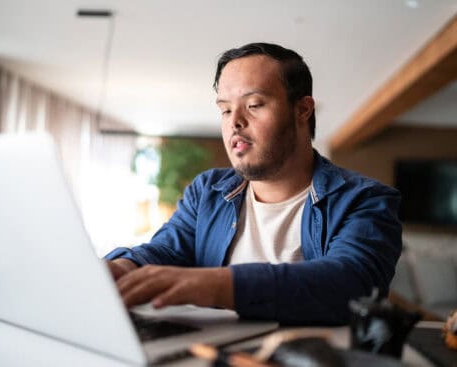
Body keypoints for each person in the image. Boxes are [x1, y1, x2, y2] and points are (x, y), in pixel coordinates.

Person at [105, 42, 402, 325]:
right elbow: (164, 252)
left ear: (303, 110)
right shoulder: (209, 191)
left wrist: (217, 285)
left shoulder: (366, 200)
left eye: (254, 105)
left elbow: (352, 285)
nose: (234, 121)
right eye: (224, 109)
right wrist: (121, 269)